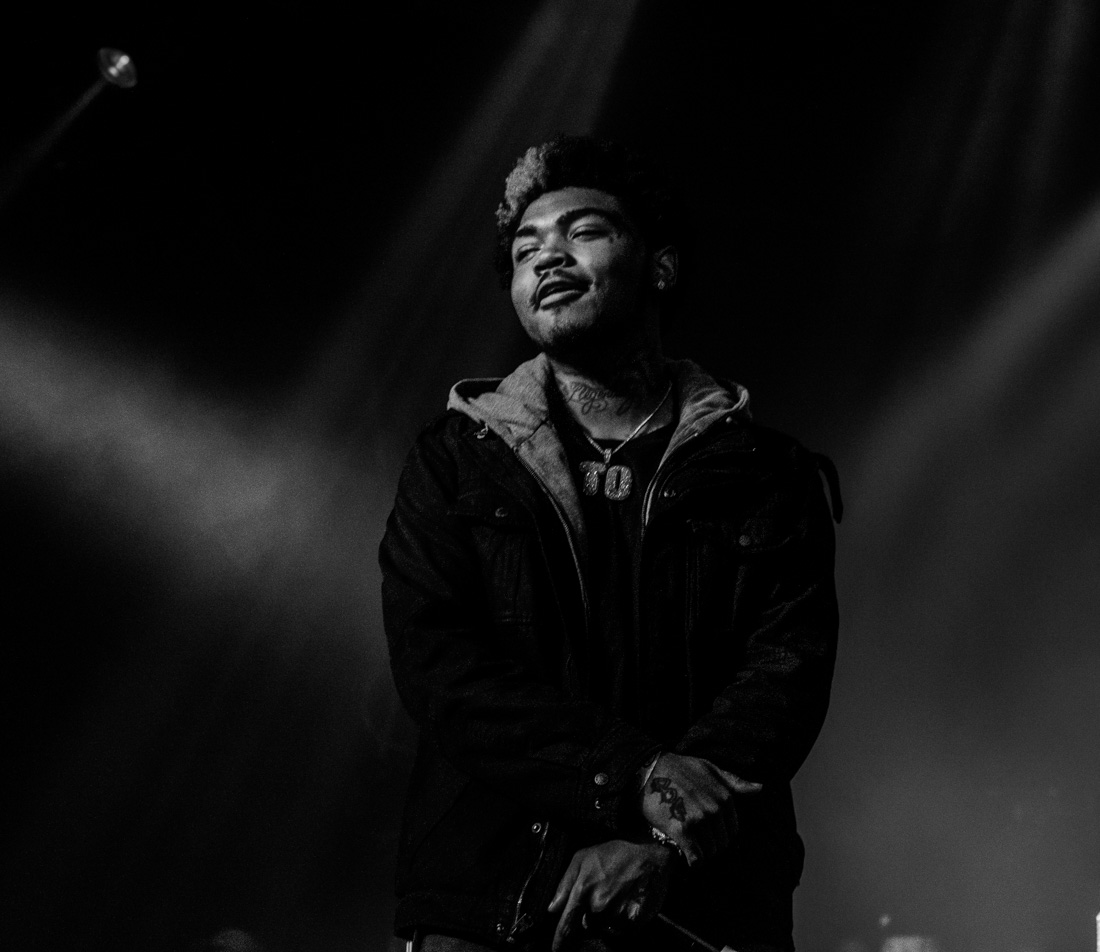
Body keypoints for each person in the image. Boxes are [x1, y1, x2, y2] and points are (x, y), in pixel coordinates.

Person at [380, 135, 841, 952]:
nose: (547, 258)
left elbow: (785, 674)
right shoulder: (454, 460)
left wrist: (661, 842)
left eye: (583, 232)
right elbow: (440, 667)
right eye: (526, 251)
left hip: (704, 905)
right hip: (491, 905)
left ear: (659, 269)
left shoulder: (770, 473)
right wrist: (636, 777)